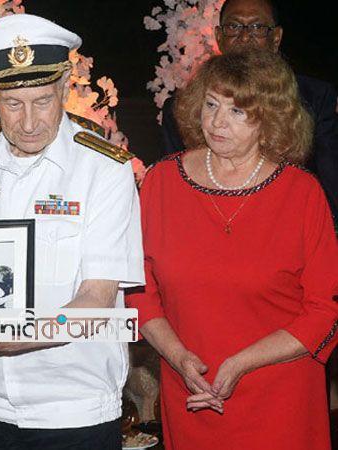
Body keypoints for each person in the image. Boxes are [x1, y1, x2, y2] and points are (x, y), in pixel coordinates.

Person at [0, 14, 144, 449]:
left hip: (74, 413)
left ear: (64, 87)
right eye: (12, 104)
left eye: (43, 101)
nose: (28, 122)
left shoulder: (104, 169)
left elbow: (95, 302)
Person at [127, 49, 338, 450]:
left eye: (237, 111)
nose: (217, 122)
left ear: (270, 119)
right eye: (211, 105)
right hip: (191, 391)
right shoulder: (161, 183)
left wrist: (242, 363)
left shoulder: (302, 193)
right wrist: (178, 357)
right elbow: (139, 290)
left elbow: (324, 310)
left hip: (281, 396)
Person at [160, 0, 338, 224]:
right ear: (219, 36)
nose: (244, 37)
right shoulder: (183, 106)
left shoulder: (313, 98)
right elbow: (175, 193)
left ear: (276, 38)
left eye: (257, 27)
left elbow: (331, 187)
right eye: (234, 27)